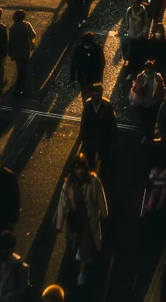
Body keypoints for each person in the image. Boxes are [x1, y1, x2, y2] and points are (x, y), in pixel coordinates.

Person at [55, 153, 108, 287]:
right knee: (74, 244)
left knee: (85, 245)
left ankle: (81, 273)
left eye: (82, 167)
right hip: (74, 221)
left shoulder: (94, 181)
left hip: (88, 220)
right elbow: (62, 203)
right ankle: (78, 265)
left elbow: (100, 197)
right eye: (78, 168)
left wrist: (104, 214)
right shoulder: (69, 184)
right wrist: (59, 224)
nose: (80, 171)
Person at [80, 83, 117, 179]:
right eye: (92, 95)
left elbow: (112, 123)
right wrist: (82, 136)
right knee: (90, 159)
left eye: (95, 95)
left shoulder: (108, 106)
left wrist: (113, 140)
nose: (93, 98)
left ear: (100, 94)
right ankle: (90, 177)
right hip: (91, 138)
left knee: (104, 159)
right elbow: (84, 121)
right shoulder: (88, 104)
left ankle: (103, 177)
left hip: (103, 139)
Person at [0, 230, 29, 301]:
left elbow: (22, 291)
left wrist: (5, 299)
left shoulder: (20, 268)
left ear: (10, 250)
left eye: (2, 251)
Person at [129, 60, 166, 144]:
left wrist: (161, 97)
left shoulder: (157, 77)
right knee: (145, 120)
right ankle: (147, 135)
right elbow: (135, 88)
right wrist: (141, 88)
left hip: (154, 103)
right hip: (143, 103)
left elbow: (161, 88)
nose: (147, 70)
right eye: (146, 68)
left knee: (152, 120)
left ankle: (150, 135)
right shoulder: (141, 76)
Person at [70, 31, 106, 101]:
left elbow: (101, 63)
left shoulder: (95, 49)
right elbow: (74, 64)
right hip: (85, 78)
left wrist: (72, 78)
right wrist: (72, 78)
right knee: (86, 96)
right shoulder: (96, 48)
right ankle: (88, 108)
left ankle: (90, 107)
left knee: (92, 95)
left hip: (92, 78)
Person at [8, 10, 36, 97]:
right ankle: (20, 87)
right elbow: (33, 35)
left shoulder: (12, 28)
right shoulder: (26, 25)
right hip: (25, 50)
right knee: (24, 69)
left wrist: (10, 52)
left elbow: (11, 41)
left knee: (20, 68)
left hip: (16, 51)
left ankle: (19, 87)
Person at [124, 0, 150, 77]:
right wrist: (128, 30)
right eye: (133, 2)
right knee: (131, 52)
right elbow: (126, 20)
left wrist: (143, 32)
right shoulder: (129, 11)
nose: (134, 5)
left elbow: (147, 24)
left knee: (139, 53)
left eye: (136, 3)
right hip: (131, 35)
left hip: (140, 37)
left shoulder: (143, 13)